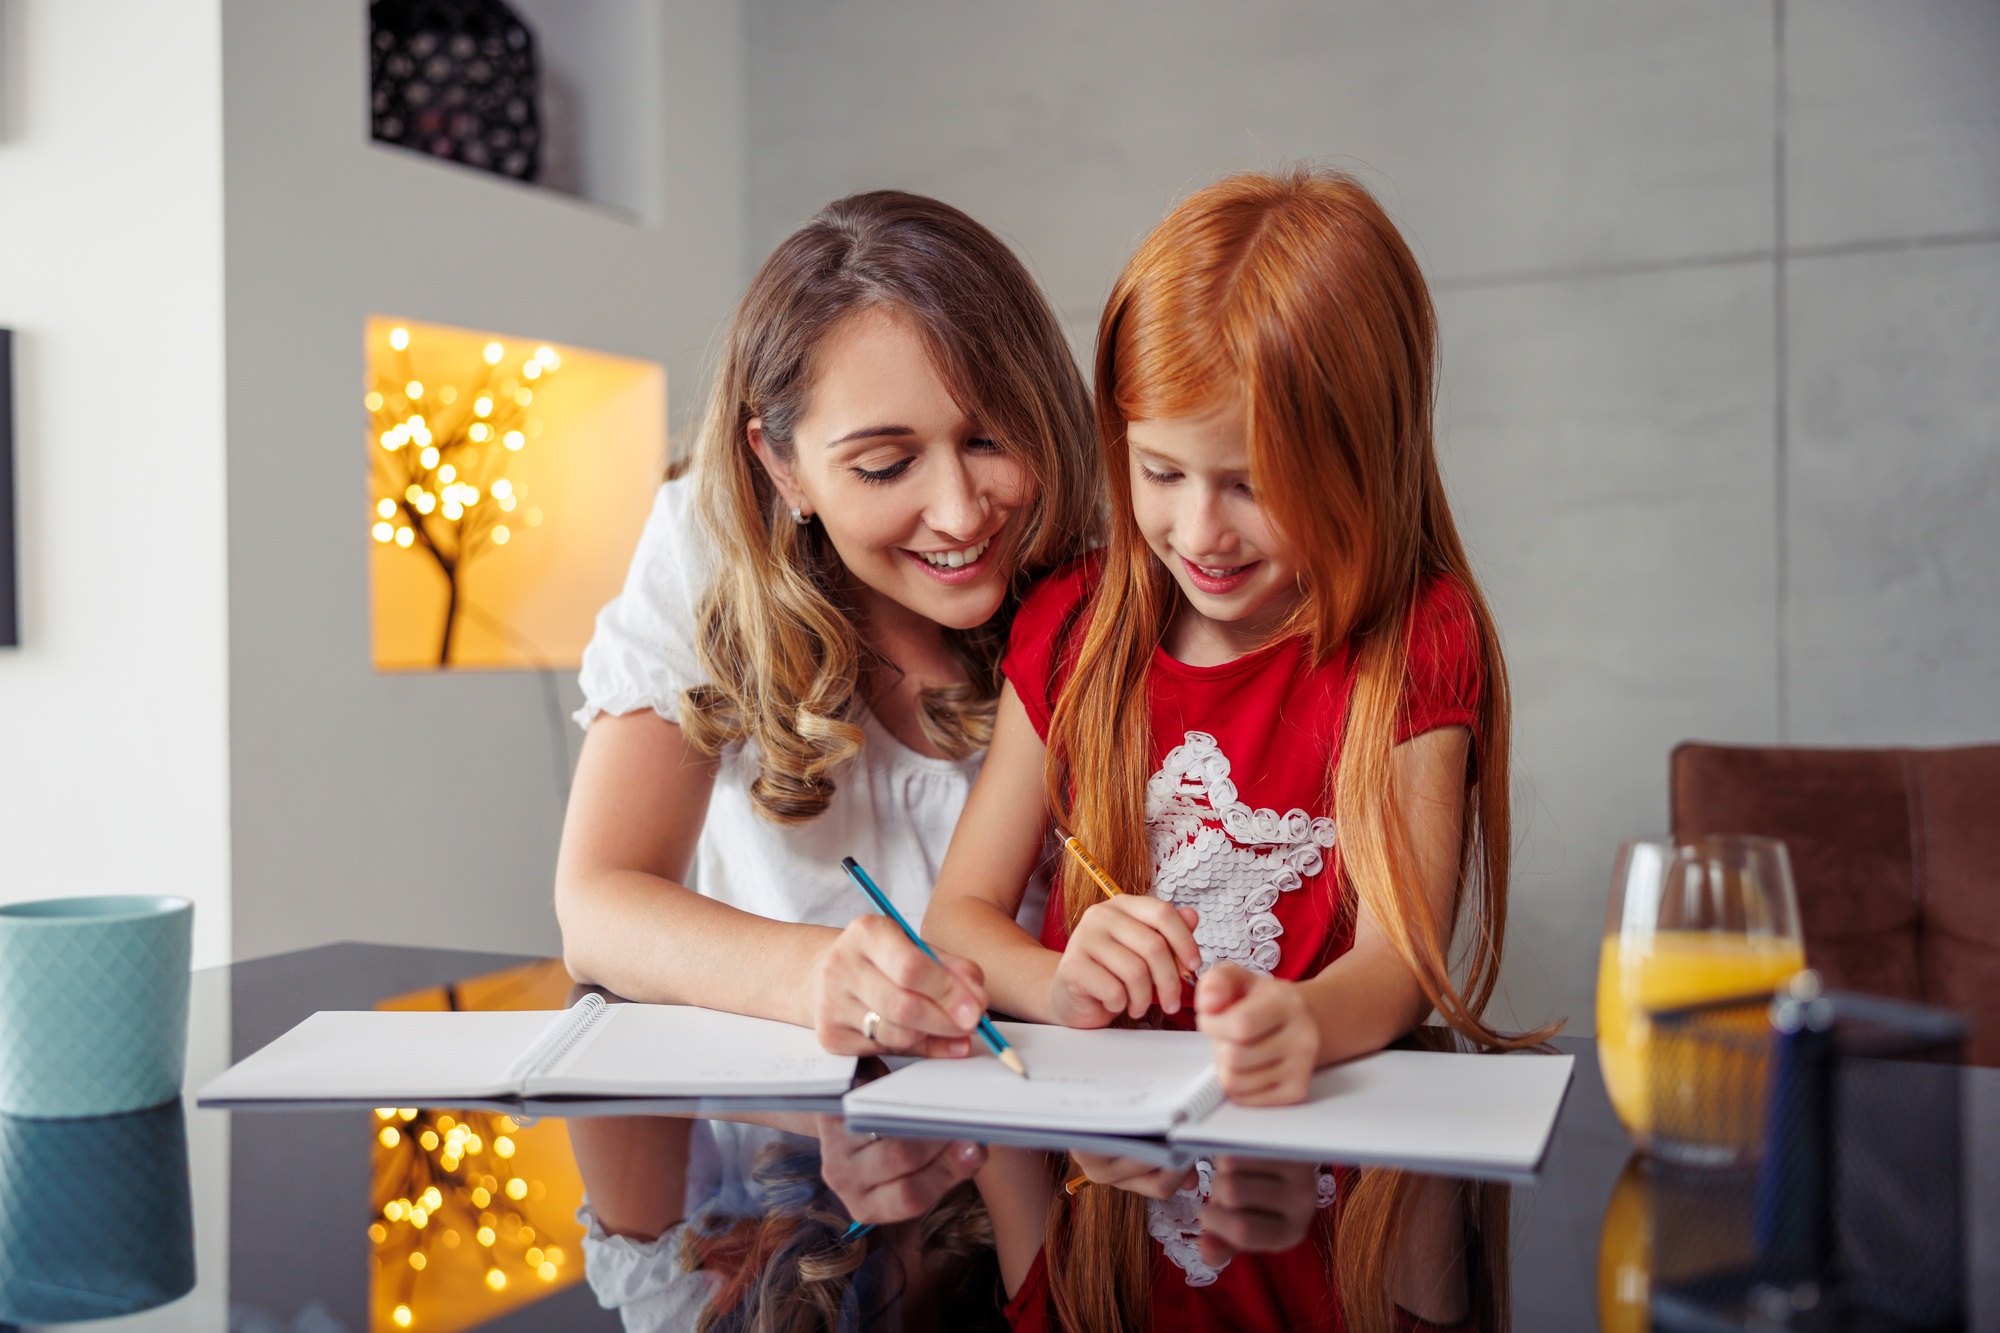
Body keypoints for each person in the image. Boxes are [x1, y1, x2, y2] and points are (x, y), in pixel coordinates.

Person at [921, 168, 1552, 1328]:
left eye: (1251, 487)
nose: (1196, 531)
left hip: (1326, 1213)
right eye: (1159, 473)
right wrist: (1059, 980)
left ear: (1361, 462)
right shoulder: (1073, 623)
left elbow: (1401, 958)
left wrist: (1303, 1022)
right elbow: (959, 914)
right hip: (1096, 1206)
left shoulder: (1415, 639)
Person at [554, 190, 1099, 1062]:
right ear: (780, 464)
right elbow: (598, 905)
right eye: (886, 466)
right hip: (785, 1139)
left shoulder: (1116, 564)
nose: (960, 514)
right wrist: (818, 979)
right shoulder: (709, 546)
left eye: (993, 439)